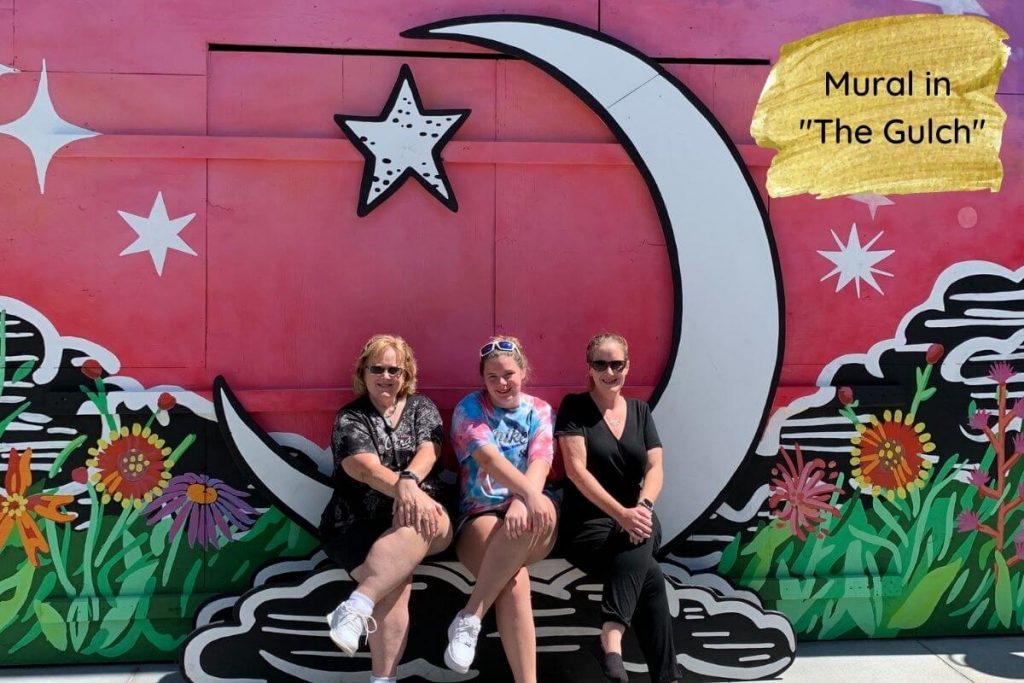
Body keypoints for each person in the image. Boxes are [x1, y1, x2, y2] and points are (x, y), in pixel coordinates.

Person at [322, 334, 453, 683]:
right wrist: (406, 489)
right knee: (397, 581)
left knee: (422, 520)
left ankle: (357, 606)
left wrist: (409, 483)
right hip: (356, 523)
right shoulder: (351, 416)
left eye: (394, 369)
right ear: (363, 373)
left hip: (421, 520)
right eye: (377, 368)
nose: (386, 376)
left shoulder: (421, 407)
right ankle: (383, 680)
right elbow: (363, 468)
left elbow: (431, 450)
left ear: (406, 373)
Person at [555, 333, 679, 683]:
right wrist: (622, 514)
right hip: (588, 525)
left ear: (628, 365)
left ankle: (610, 641)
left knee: (643, 529)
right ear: (589, 369)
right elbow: (576, 472)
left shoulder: (640, 411)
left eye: (617, 364)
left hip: (635, 517)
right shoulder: (575, 407)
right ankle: (662, 675)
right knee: (651, 575)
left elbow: (655, 467)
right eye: (601, 364)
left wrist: (642, 506)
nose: (610, 371)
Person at [443, 336, 559, 682]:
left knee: (528, 522)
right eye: (492, 377)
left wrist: (526, 499)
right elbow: (488, 458)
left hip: (533, 508)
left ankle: (470, 616)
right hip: (480, 512)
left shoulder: (539, 410)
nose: (501, 383)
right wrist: (524, 496)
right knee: (515, 582)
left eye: (508, 374)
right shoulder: (470, 409)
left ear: (523, 372)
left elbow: (541, 460)